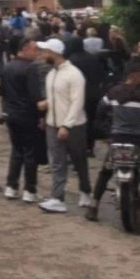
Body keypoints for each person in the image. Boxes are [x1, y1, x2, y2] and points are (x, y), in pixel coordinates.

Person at [85, 61, 140, 222]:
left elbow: (100, 112)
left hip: (117, 139)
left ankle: (93, 206)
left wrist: (108, 131)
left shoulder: (112, 93)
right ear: (135, 75)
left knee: (105, 171)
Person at [38, 38, 91, 214]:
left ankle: (85, 191)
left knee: (79, 160)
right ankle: (57, 197)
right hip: (53, 124)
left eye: (45, 51)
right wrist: (46, 105)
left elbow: (77, 102)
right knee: (57, 162)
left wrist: (67, 125)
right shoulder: (52, 74)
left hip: (73, 125)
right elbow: (58, 98)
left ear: (55, 53)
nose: (43, 54)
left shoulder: (74, 74)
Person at [0, 36, 44, 203]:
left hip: (12, 114)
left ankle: (11, 186)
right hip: (27, 114)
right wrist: (40, 115)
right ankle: (29, 188)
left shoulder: (7, 67)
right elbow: (35, 95)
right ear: (24, 48)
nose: (37, 53)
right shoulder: (30, 69)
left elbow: (2, 92)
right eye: (34, 49)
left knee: (17, 150)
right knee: (30, 152)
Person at [68, 35, 107, 158]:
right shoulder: (93, 58)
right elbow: (101, 75)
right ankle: (90, 146)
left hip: (78, 96)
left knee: (78, 123)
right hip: (94, 94)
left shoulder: (70, 60)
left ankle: (78, 148)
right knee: (90, 120)